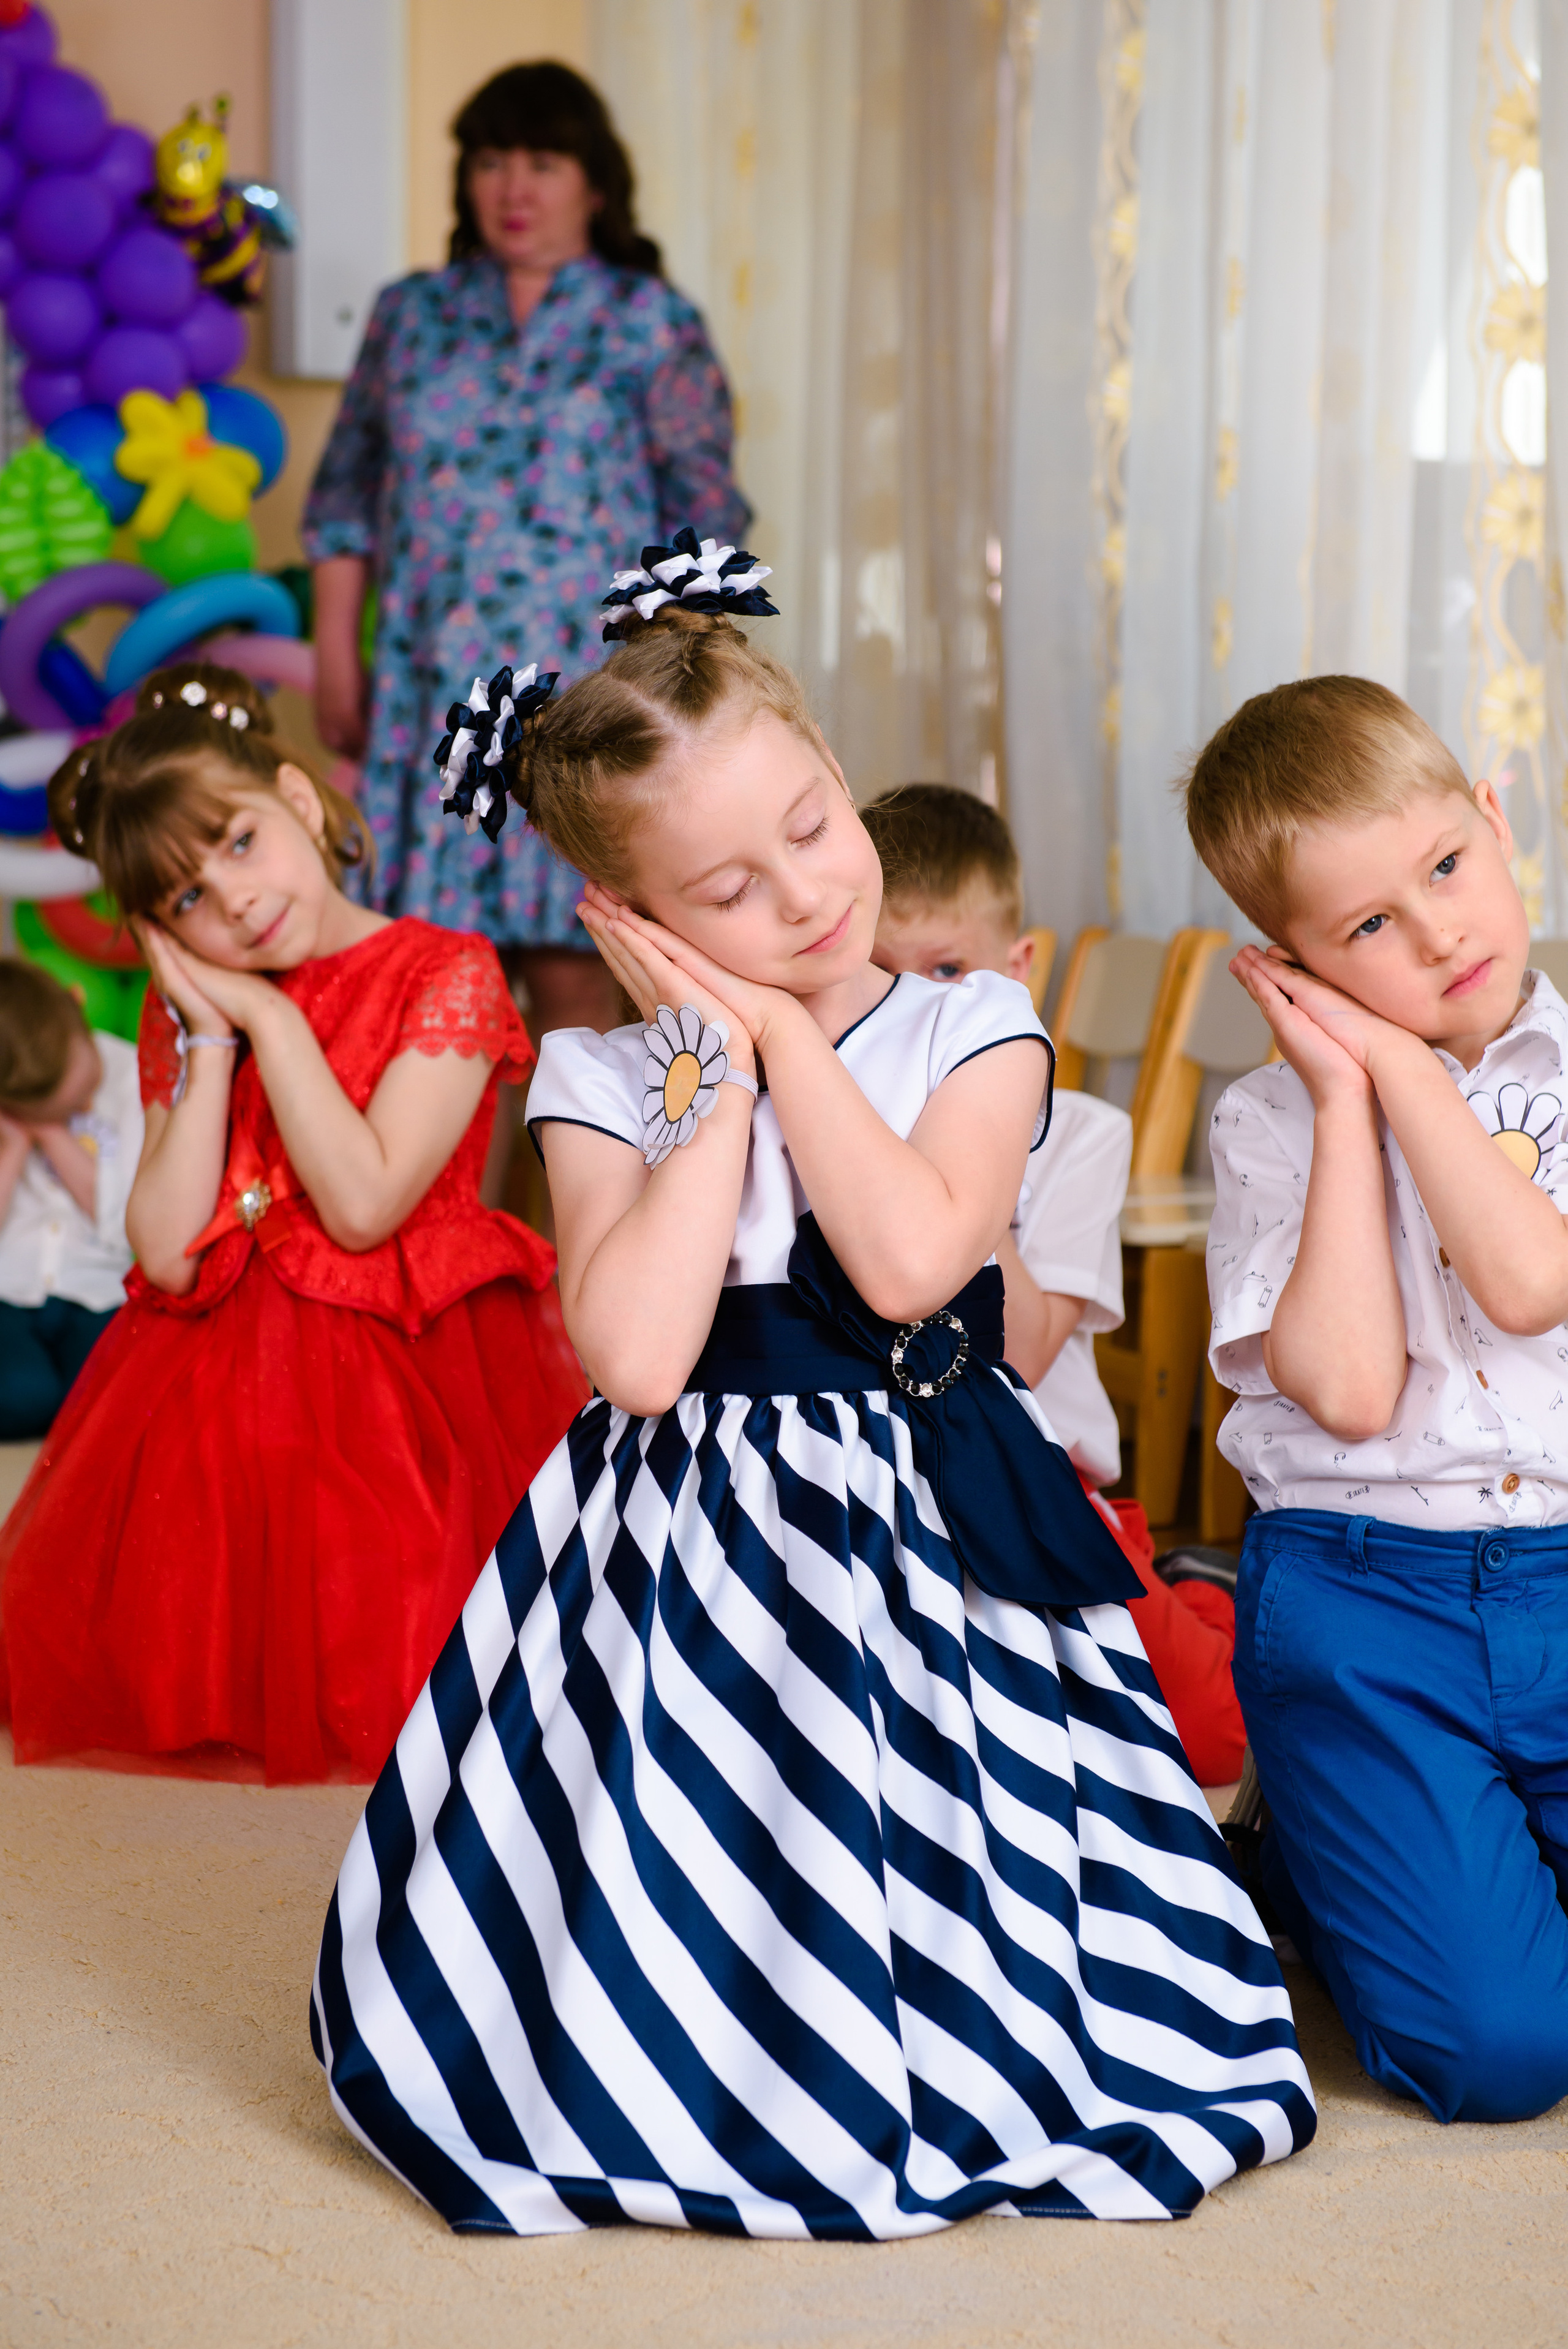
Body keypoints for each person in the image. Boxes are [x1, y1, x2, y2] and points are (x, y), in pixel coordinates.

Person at [311, 547, 1314, 2239]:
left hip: (928, 1510)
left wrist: (786, 1042)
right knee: (704, 1830)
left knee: (951, 1845)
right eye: (723, 889)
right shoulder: (600, 1072)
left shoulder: (976, 1023)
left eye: (808, 824)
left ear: (839, 772)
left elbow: (914, 1261)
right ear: (629, 919)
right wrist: (712, 1069)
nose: (799, 899)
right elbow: (639, 1356)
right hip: (688, 1541)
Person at [0, 662, 587, 1785]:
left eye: (239, 843)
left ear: (300, 799)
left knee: (402, 1615)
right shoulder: (194, 1017)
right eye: (186, 900)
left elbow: (364, 1206)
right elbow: (166, 1252)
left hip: (412, 1362)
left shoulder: (445, 969)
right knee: (185, 1547)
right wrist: (211, 1037)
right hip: (224, 1362)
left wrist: (269, 1018)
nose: (233, 901)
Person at [1188, 673, 1568, 2125]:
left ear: (1494, 818)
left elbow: (1525, 1279)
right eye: (1364, 929)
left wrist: (1402, 1063)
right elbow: (1347, 1391)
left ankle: (1374, 1842)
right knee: (1499, 2053)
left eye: (1446, 867)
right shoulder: (1267, 1121)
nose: (1434, 933)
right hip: (1366, 1601)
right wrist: (1353, 1096)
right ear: (1288, 964)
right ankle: (1322, 1836)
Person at [303, 60, 750, 1049]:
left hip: (584, 697)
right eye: (491, 161)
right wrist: (337, 654)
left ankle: (570, 1163)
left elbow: (706, 525)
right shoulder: (409, 316)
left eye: (543, 163)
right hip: (430, 695)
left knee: (577, 981)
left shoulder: (651, 323)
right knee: (427, 987)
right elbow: (341, 505)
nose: (513, 188)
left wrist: (677, 698)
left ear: (594, 184)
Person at [864, 784, 1246, 1785]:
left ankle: (1197, 1592)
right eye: (882, 976)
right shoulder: (833, 1130)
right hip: (883, 1479)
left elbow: (1022, 1354)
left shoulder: (1080, 1133)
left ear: (1018, 968)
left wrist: (959, 1164)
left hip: (1043, 1475)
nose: (917, 1008)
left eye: (949, 971)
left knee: (1210, 1732)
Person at [0, 960, 141, 1439]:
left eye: (86, 1092)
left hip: (100, 1290)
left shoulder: (135, 1077)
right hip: (9, 1291)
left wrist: (50, 1130)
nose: (84, 1107)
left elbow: (129, 1227)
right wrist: (14, 1145)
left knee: (112, 1398)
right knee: (23, 1395)